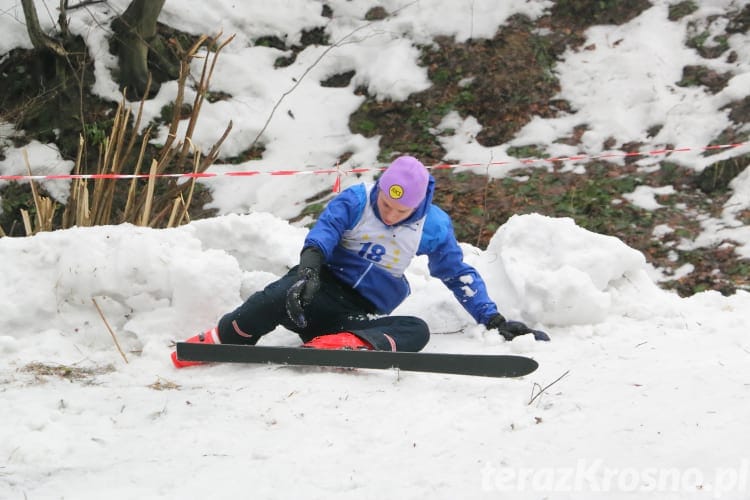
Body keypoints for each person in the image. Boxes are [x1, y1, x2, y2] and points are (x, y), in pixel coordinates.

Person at [171, 155, 549, 368]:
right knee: (272, 296)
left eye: (402, 211)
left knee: (416, 330)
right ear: (380, 188)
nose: (391, 214)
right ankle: (222, 338)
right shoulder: (355, 199)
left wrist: (493, 318)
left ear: (419, 206)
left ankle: (343, 344)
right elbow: (323, 233)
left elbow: (457, 273)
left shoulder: (433, 226)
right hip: (316, 290)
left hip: (357, 315)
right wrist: (308, 272)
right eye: (386, 204)